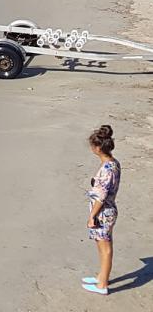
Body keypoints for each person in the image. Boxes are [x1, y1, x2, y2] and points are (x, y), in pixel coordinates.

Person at [83, 124, 121, 295]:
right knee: (102, 246)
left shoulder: (107, 169)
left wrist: (92, 216)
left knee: (105, 249)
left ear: (98, 148)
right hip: (108, 210)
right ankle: (101, 276)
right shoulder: (113, 163)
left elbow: (101, 196)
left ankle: (102, 285)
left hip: (103, 213)